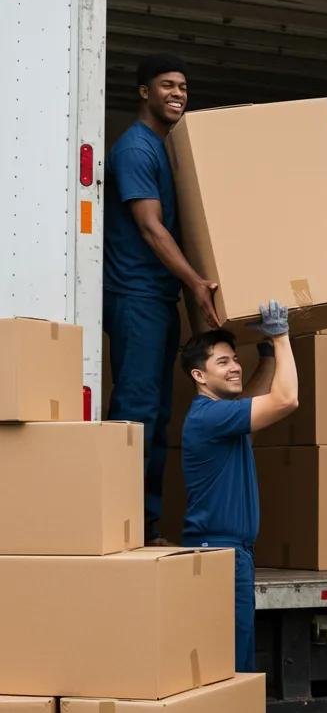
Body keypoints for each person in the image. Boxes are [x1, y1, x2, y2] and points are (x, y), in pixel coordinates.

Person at [104, 54, 220, 545]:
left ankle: (142, 522)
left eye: (184, 87)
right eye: (167, 85)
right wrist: (196, 282)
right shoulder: (136, 149)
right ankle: (128, 525)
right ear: (144, 92)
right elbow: (151, 228)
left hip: (157, 297)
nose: (177, 93)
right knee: (138, 413)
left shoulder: (163, 150)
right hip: (136, 294)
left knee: (156, 412)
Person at [179, 301, 298, 673]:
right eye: (223, 362)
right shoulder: (209, 417)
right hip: (219, 552)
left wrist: (265, 357)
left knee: (235, 656)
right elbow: (285, 400)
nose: (234, 367)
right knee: (232, 662)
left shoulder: (223, 415)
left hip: (229, 552)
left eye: (235, 359)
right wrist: (280, 338)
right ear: (200, 376)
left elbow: (251, 401)